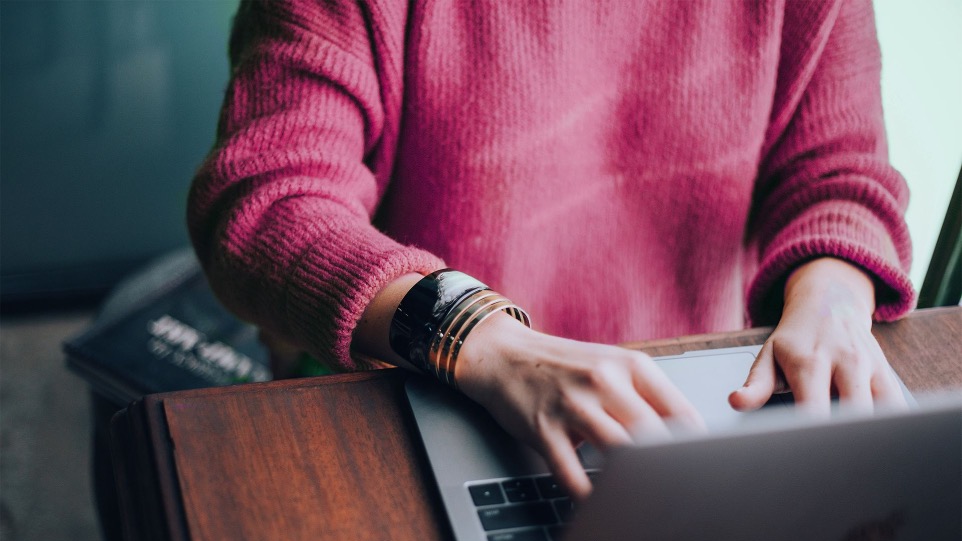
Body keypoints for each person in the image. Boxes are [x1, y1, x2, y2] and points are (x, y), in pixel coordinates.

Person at [188, 0, 915, 499]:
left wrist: (834, 294)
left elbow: (840, 173)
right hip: (416, 396)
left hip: (686, 416)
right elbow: (266, 200)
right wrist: (476, 336)